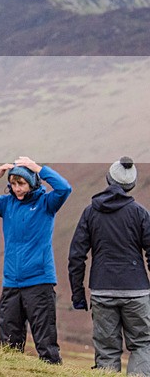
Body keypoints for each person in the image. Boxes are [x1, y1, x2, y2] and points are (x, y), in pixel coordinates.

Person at [0, 156, 72, 364]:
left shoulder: (46, 203)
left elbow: (64, 189)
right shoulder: (6, 204)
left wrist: (38, 169)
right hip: (12, 283)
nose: (17, 189)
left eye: (21, 183)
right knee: (8, 345)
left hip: (39, 281)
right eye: (13, 184)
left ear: (32, 183)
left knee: (46, 343)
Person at [68, 157, 150, 375]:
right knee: (143, 344)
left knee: (107, 350)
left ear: (108, 179)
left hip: (102, 290)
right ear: (131, 185)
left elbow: (76, 256)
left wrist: (78, 294)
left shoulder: (90, 212)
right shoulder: (140, 213)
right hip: (137, 291)